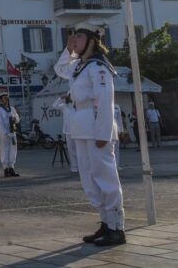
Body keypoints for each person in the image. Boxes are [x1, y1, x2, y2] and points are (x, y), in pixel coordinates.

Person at [54, 21, 126, 247]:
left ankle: (117, 227)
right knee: (89, 179)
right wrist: (68, 49)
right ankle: (105, 222)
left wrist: (103, 133)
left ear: (92, 42)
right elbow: (60, 69)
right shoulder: (79, 67)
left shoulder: (99, 68)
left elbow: (104, 101)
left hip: (97, 128)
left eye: (79, 38)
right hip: (81, 128)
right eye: (73, 37)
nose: (75, 41)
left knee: (105, 177)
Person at [0, 92, 21, 177]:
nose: (6, 99)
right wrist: (6, 132)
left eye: (7, 98)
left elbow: (17, 119)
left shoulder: (12, 108)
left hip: (12, 131)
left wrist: (15, 118)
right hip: (4, 133)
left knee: (13, 150)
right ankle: (6, 168)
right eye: (4, 98)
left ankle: (12, 167)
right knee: (4, 150)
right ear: (1, 99)